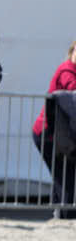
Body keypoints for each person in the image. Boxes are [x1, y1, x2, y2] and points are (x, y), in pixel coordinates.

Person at [32, 40, 76, 211]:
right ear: (72, 51)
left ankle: (59, 215)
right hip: (49, 134)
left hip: (60, 134)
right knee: (65, 178)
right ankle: (65, 217)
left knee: (64, 177)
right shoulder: (67, 70)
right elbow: (72, 89)